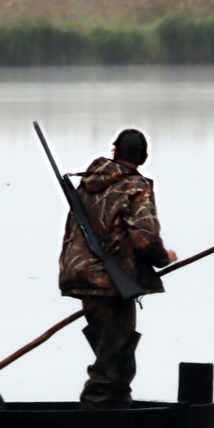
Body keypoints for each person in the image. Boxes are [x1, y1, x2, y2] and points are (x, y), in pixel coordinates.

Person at [58, 128, 176, 407]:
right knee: (114, 362)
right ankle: (97, 418)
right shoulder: (137, 187)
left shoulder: (87, 183)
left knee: (113, 358)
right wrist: (166, 257)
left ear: (114, 152)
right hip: (112, 282)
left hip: (83, 276)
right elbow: (145, 239)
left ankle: (117, 410)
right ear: (144, 157)